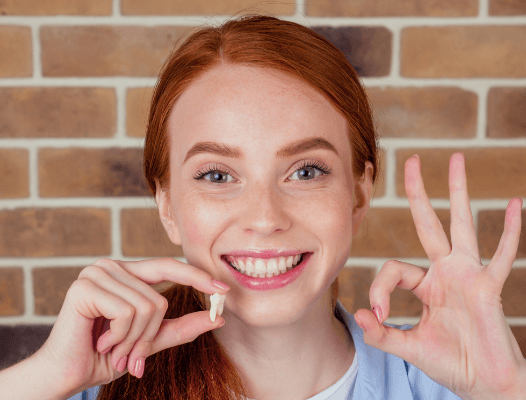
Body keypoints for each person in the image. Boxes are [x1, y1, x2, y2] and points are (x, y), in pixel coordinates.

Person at [1, 13, 525, 400]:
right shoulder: (88, 387)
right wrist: (47, 378)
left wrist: (505, 389)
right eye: (216, 175)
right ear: (167, 205)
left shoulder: (454, 381)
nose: (265, 218)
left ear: (360, 194)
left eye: (306, 171)